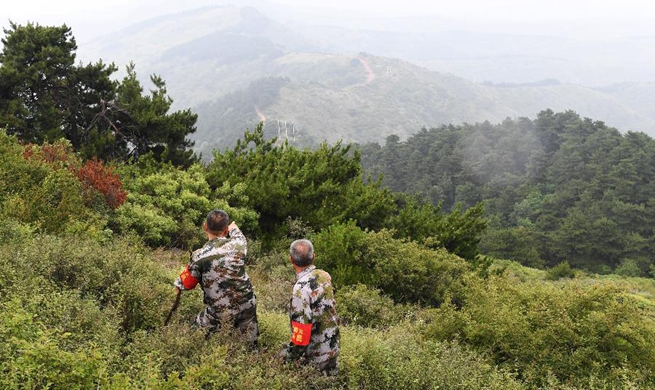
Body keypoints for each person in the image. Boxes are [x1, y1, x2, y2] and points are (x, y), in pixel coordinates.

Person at [174, 209, 258, 347]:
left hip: (219, 311)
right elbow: (238, 234)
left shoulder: (199, 256)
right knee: (249, 347)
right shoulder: (239, 245)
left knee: (191, 334)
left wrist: (179, 282)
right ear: (226, 230)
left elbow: (186, 284)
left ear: (205, 227)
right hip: (247, 306)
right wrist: (233, 228)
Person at [280, 239, 340, 375]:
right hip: (333, 344)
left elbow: (302, 331)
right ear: (313, 257)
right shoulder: (324, 276)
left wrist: (289, 358)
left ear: (291, 260)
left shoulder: (300, 289)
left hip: (316, 354)